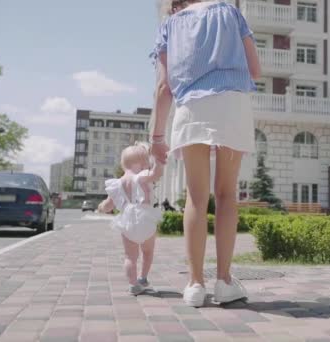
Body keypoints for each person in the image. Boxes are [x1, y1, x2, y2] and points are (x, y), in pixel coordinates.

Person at [149, 0, 261, 307]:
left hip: (192, 108)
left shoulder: (170, 25)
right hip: (232, 105)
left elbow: (163, 87)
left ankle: (195, 285)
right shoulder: (231, 12)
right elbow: (255, 70)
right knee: (226, 195)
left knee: (195, 198)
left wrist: (157, 136)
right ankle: (224, 281)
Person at [98, 143, 164, 295]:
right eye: (147, 162)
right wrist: (160, 161)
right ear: (141, 164)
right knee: (147, 252)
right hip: (145, 218)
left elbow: (108, 206)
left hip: (127, 220)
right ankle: (143, 278)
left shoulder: (117, 183)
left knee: (130, 256)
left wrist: (101, 207)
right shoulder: (141, 176)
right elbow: (156, 174)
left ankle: (133, 285)